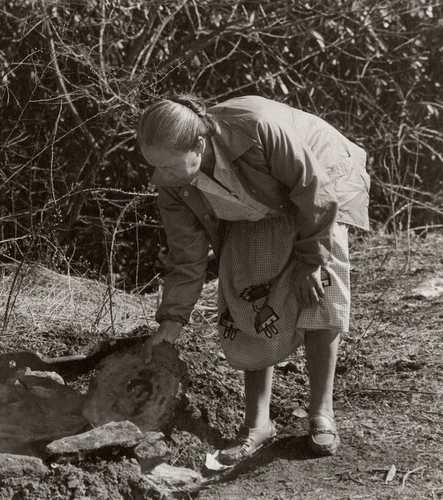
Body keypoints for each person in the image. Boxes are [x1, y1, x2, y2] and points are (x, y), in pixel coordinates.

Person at [137, 94, 369, 464]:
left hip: (320, 188)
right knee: (246, 296)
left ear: (198, 144)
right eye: (154, 166)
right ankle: (258, 424)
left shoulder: (259, 129)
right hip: (255, 208)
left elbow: (315, 190)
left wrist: (311, 261)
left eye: (167, 166)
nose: (159, 177)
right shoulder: (171, 184)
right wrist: (170, 323)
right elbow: (186, 257)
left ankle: (321, 413)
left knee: (319, 290)